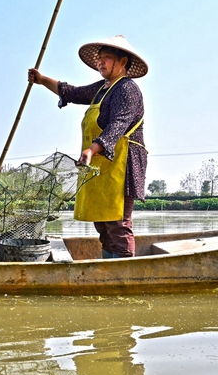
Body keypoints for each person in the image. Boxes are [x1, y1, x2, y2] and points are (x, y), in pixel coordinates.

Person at [28, 35, 148, 258]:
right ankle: (107, 269)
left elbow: (118, 125)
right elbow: (71, 92)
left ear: (123, 62)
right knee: (102, 224)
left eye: (107, 58)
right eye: (100, 59)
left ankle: (123, 271)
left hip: (123, 165)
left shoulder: (127, 89)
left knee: (118, 223)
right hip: (101, 165)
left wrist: (92, 149)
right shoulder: (103, 89)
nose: (101, 62)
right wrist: (42, 80)